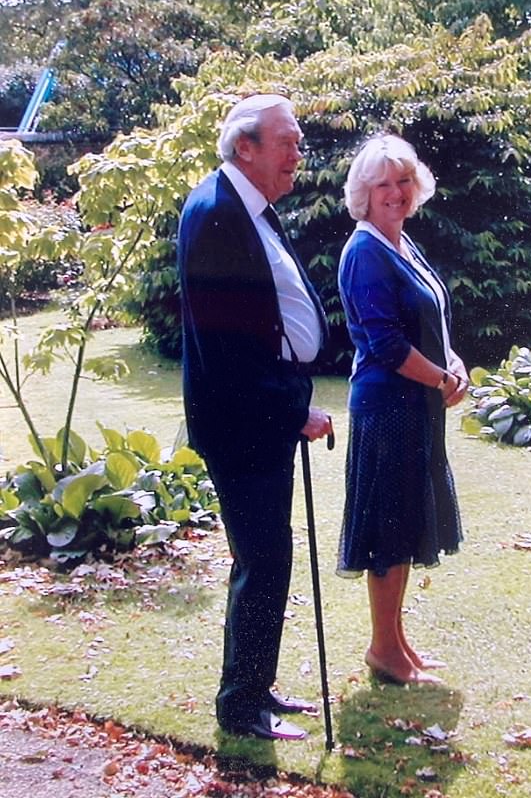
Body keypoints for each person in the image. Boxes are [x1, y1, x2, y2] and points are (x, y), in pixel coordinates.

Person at [178, 94, 332, 740]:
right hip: (245, 421)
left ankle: (257, 687)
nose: (299, 153)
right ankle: (241, 707)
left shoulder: (250, 208)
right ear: (246, 147)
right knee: (262, 560)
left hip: (261, 413)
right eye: (288, 141)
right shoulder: (216, 213)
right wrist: (293, 408)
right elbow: (227, 348)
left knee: (269, 559)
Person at [337, 134, 468, 685]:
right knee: (389, 528)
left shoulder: (400, 242)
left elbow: (431, 321)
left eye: (404, 181)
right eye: (383, 183)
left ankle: (397, 643)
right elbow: (387, 346)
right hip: (388, 409)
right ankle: (384, 650)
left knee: (407, 520)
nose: (395, 192)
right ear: (363, 193)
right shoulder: (365, 251)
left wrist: (455, 363)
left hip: (417, 408)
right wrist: (442, 378)